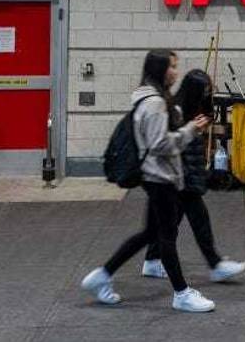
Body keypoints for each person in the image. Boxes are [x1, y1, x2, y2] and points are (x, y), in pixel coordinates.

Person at [80, 49, 216, 313]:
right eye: (172, 66)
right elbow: (160, 144)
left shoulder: (151, 98)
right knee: (167, 237)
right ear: (159, 70)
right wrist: (191, 129)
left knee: (150, 233)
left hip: (156, 176)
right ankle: (181, 293)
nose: (176, 72)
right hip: (160, 177)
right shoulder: (155, 103)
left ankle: (102, 275)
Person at [141, 69, 245, 283]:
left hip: (182, 178)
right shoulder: (176, 111)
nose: (206, 95)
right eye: (204, 91)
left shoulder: (190, 109)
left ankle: (152, 259)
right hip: (177, 179)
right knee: (196, 221)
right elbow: (173, 146)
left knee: (169, 224)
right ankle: (214, 264)